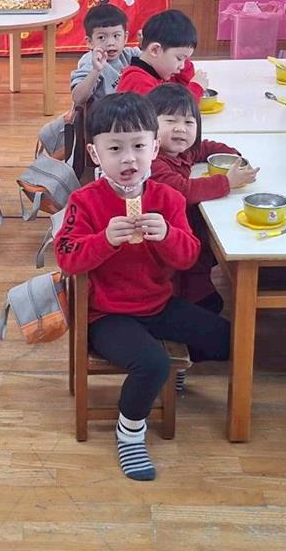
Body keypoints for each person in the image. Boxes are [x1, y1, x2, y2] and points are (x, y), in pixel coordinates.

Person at [54, 93, 230, 481]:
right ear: (95, 153)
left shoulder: (167, 198)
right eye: (115, 148)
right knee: (153, 363)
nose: (128, 159)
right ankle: (130, 432)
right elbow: (66, 257)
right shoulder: (85, 200)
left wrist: (167, 234)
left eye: (138, 146)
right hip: (107, 314)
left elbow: (188, 257)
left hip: (157, 303)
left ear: (154, 148)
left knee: (226, 339)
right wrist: (103, 240)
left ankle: (174, 374)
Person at [148, 84, 258, 316]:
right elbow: (182, 190)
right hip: (162, 241)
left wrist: (232, 156)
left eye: (189, 122)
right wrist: (227, 182)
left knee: (200, 249)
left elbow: (204, 148)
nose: (181, 128)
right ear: (148, 125)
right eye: (171, 121)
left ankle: (199, 292)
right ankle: (185, 301)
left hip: (184, 234)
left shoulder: (181, 151)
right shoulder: (152, 160)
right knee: (193, 256)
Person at [116, 10, 208, 98]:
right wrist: (196, 88)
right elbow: (173, 108)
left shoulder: (160, 72)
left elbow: (184, 85)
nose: (182, 66)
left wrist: (183, 58)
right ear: (155, 50)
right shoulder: (137, 80)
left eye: (186, 59)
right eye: (179, 58)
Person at [69, 2, 137, 107]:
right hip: (102, 115)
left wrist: (146, 44)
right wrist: (96, 71)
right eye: (102, 37)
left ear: (125, 38)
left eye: (116, 36)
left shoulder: (129, 54)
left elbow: (153, 58)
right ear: (90, 42)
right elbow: (78, 98)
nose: (110, 43)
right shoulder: (91, 62)